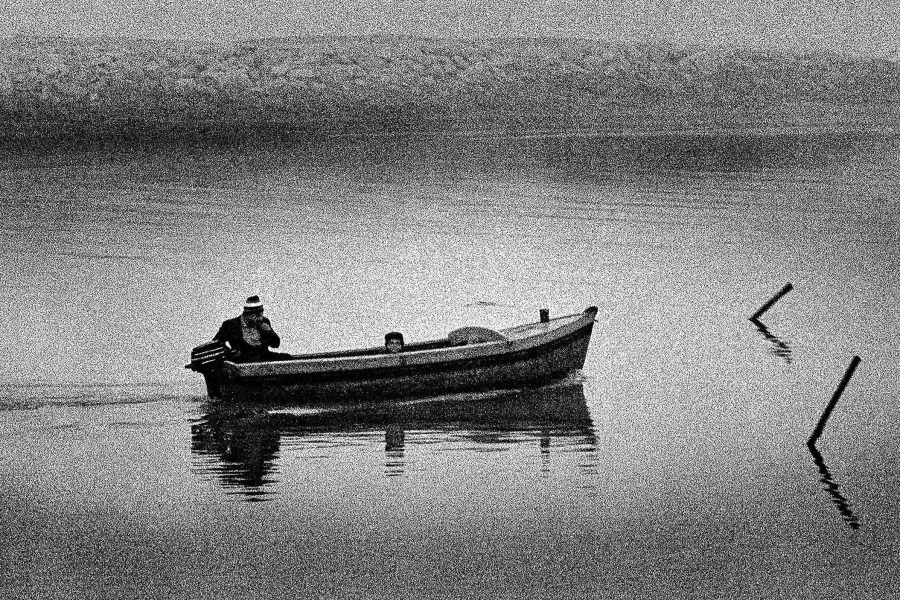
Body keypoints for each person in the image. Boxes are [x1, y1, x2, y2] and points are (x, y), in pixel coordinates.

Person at [214, 295, 285, 362]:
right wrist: (229, 353)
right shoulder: (231, 325)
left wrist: (269, 332)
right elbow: (216, 343)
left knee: (287, 358)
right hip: (242, 359)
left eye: (261, 314)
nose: (260, 318)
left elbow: (275, 344)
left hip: (263, 358)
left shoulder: (264, 321)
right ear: (247, 314)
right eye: (257, 315)